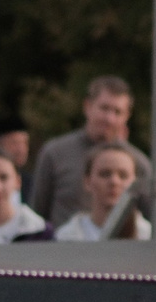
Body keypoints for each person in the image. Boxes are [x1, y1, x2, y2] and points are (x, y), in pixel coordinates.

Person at [29, 82, 141, 229]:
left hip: (121, 248)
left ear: (127, 116)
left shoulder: (139, 163)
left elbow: (152, 217)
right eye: (104, 108)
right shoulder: (54, 153)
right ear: (88, 106)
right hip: (66, 246)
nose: (109, 118)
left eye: (117, 112)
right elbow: (37, 213)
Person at [51, 145, 154, 242]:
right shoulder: (65, 237)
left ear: (135, 182)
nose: (114, 182)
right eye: (105, 174)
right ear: (87, 181)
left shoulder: (151, 236)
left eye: (123, 176)